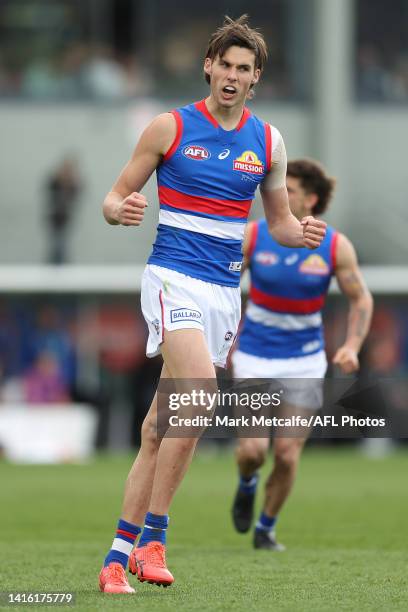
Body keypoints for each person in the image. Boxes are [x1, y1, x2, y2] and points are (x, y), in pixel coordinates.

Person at [98, 16, 327, 594]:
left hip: (224, 291)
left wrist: (300, 231)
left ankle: (115, 558)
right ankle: (154, 538)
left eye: (242, 68)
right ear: (208, 67)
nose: (231, 75)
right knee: (199, 392)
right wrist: (117, 210)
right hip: (171, 276)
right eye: (223, 64)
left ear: (256, 79)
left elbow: (276, 221)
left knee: (160, 428)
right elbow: (114, 193)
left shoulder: (268, 143)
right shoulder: (168, 127)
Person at [231, 158, 373, 550]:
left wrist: (351, 345)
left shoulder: (335, 246)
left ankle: (266, 527)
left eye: (288, 191)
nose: (278, 195)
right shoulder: (254, 237)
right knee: (253, 450)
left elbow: (360, 299)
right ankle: (247, 483)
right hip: (255, 356)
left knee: (288, 455)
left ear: (310, 200)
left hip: (305, 361)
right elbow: (222, 289)